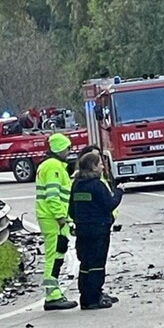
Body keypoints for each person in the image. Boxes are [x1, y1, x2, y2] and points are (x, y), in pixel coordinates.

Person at [69, 152, 124, 310]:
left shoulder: (77, 184)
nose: (102, 166)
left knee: (85, 263)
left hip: (82, 229)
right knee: (97, 264)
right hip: (98, 229)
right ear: (93, 166)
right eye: (100, 163)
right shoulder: (97, 185)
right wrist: (119, 192)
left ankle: (85, 298)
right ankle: (94, 297)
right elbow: (109, 204)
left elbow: (72, 210)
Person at [35, 133, 78, 310]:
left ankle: (54, 293)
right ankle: (52, 295)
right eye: (67, 148)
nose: (69, 151)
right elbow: (53, 196)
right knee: (53, 257)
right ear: (60, 148)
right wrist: (61, 217)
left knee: (57, 255)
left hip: (52, 217)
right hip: (53, 218)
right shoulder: (53, 167)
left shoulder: (50, 165)